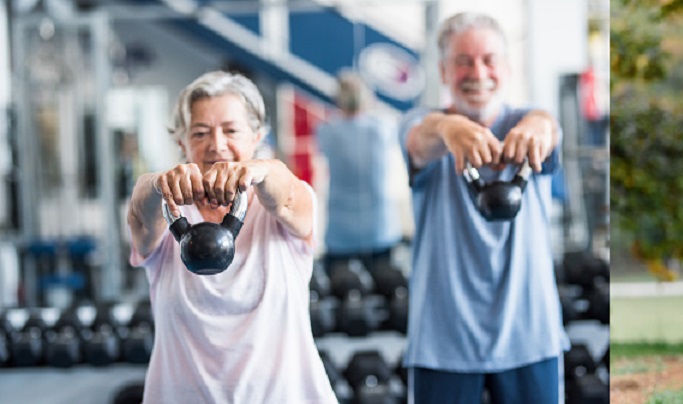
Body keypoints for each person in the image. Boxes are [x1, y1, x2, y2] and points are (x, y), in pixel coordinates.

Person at [126, 71, 336, 403]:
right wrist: (158, 184)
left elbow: (286, 193)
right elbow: (139, 207)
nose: (217, 144)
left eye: (231, 130)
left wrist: (259, 170)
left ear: (257, 136)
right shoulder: (166, 213)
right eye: (200, 132)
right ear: (182, 143)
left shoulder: (286, 205)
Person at [400, 12, 566, 404]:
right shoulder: (420, 124)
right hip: (443, 341)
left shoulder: (526, 125)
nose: (478, 72)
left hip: (529, 335)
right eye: (463, 61)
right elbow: (419, 140)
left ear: (505, 68)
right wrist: (448, 128)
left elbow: (549, 128)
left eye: (489, 59)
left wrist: (540, 123)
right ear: (443, 71)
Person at [315, 72, 403, 277]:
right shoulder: (383, 129)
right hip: (379, 229)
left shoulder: (326, 131)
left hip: (341, 232)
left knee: (341, 295)